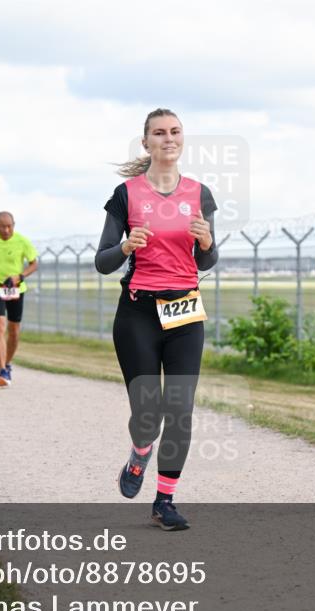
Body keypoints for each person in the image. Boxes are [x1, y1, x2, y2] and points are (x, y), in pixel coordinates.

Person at [94, 108, 218, 531]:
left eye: (175, 131)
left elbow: (207, 258)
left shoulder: (199, 193)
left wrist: (206, 242)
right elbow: (103, 261)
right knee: (148, 416)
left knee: (180, 410)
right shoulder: (126, 194)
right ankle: (140, 450)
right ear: (145, 142)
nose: (169, 138)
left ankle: (165, 500)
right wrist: (127, 246)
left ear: (183, 139)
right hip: (138, 313)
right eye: (159, 133)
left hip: (185, 309)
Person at [0, 212, 39, 387]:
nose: (6, 229)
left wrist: (21, 276)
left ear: (14, 225)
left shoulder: (22, 241)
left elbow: (34, 264)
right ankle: (2, 370)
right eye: (3, 226)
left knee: (14, 330)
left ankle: (8, 363)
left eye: (10, 226)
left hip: (16, 289)